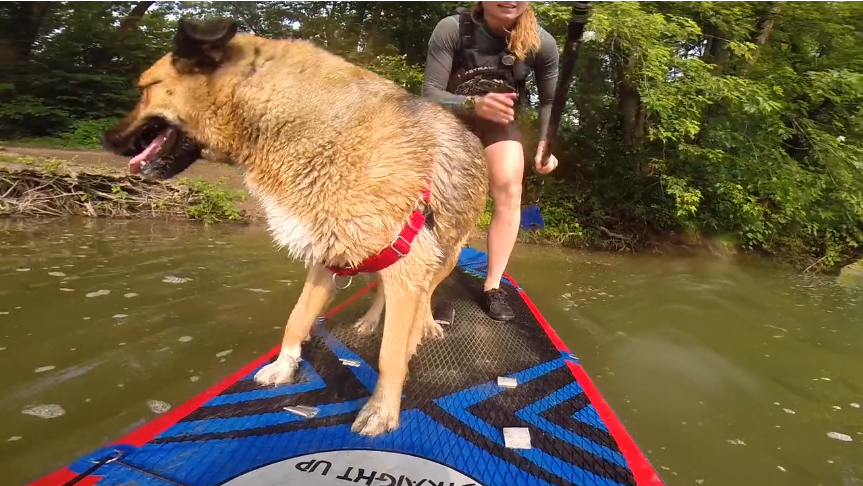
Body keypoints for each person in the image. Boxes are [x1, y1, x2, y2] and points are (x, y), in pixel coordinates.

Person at [422, 1, 560, 321]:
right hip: (450, 121)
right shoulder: (451, 29)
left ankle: (493, 287)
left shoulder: (542, 42)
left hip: (500, 124)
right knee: (442, 201)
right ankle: (426, 281)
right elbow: (430, 93)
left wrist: (546, 143)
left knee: (510, 186)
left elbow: (550, 100)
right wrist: (474, 103)